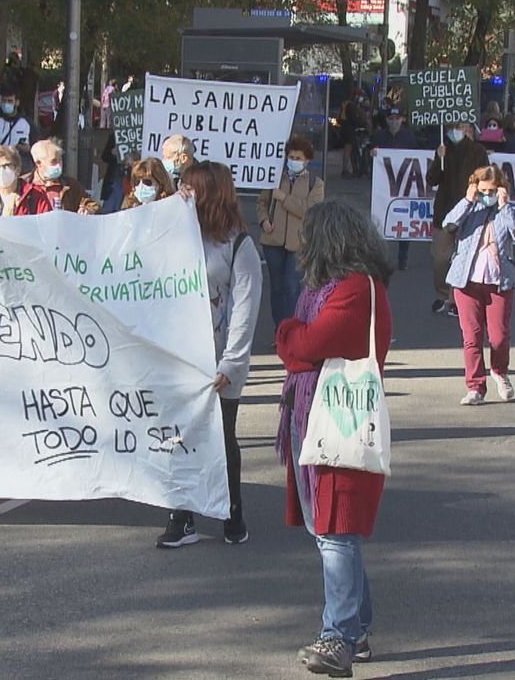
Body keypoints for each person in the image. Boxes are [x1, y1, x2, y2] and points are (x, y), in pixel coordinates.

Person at [273, 200, 392, 677]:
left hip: (339, 422)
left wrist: (289, 332)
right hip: (318, 419)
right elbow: (301, 344)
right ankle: (357, 627)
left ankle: (338, 636)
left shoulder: (355, 290)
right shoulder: (333, 287)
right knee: (330, 531)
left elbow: (305, 344)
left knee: (335, 532)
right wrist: (295, 337)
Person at [156, 161, 261, 548]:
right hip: (179, 360)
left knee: (222, 439)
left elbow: (245, 309)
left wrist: (231, 363)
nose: (184, 193)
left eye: (191, 188)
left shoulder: (238, 245)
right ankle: (181, 517)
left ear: (211, 193)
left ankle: (233, 513)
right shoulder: (176, 235)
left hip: (220, 363)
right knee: (179, 437)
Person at [442, 165, 515, 405]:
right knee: (472, 336)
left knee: (499, 337)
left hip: (499, 282)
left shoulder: (508, 210)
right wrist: (468, 200)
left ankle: (500, 372)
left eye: (491, 190)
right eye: (483, 191)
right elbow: (448, 225)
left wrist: (504, 205)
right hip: (467, 282)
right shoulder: (469, 208)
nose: (486, 195)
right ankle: (475, 387)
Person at [258, 136, 326, 331]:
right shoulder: (275, 177)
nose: (293, 161)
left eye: (298, 158)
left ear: (307, 160)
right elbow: (262, 203)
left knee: (292, 287)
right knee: (277, 288)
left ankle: (293, 330)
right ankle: (280, 330)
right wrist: (264, 220)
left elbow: (311, 209)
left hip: (299, 244)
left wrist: (284, 198)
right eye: (291, 157)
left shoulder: (315, 183)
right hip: (273, 240)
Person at [427, 121, 489, 314]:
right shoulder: (443, 149)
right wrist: (439, 159)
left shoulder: (477, 151)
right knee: (440, 257)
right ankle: (442, 294)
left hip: (469, 213)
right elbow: (432, 179)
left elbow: (485, 179)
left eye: (461, 127)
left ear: (469, 129)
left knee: (463, 259)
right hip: (445, 212)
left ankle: (456, 299)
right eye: (454, 127)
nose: (457, 131)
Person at [368, 108, 423, 271]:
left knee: (403, 221)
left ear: (402, 119)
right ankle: (381, 257)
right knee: (381, 219)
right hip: (384, 186)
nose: (394, 121)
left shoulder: (409, 137)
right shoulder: (379, 137)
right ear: (387, 120)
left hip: (404, 186)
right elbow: (369, 156)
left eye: (397, 118)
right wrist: (372, 153)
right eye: (391, 118)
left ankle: (402, 258)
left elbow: (418, 158)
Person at [22, 139, 100, 214]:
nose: (59, 165)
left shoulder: (70, 185)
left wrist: (88, 209)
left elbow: (91, 205)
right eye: (54, 161)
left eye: (60, 160)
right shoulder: (23, 185)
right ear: (38, 163)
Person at [0, 87, 32, 162]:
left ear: (17, 102)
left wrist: (28, 149)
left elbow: (37, 147)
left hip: (22, 167)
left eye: (10, 101)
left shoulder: (27, 123)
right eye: (4, 101)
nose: (6, 104)